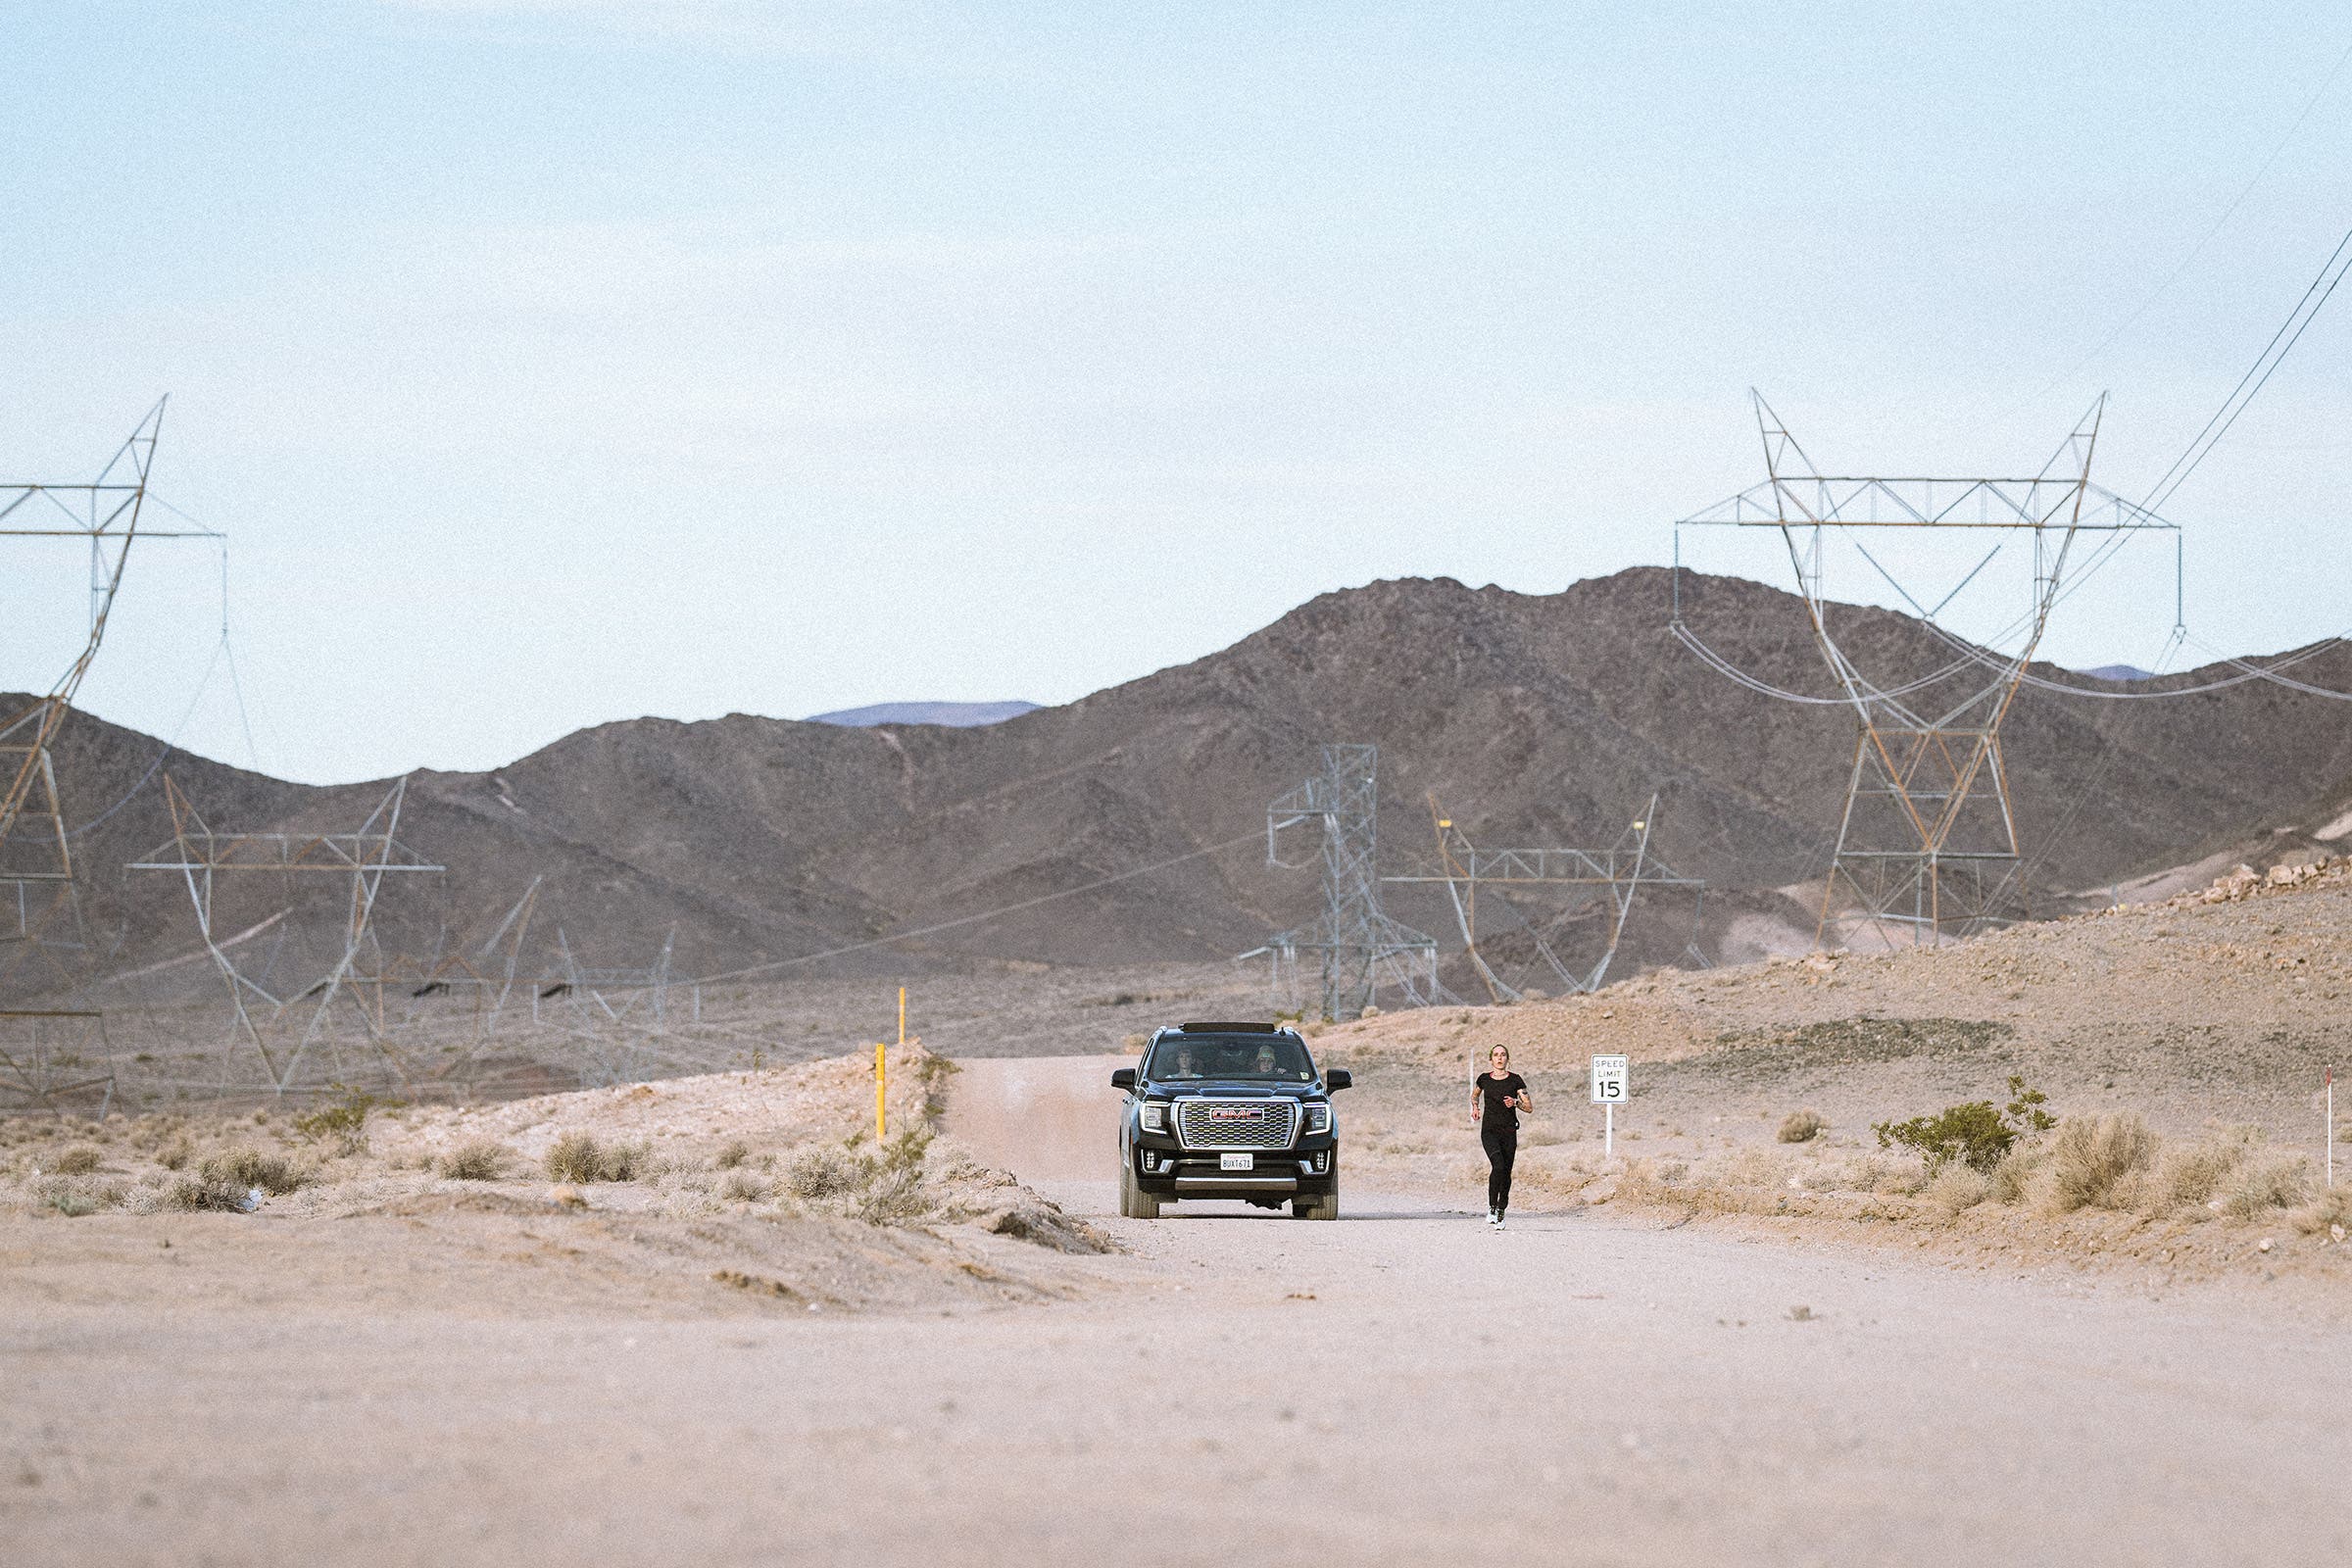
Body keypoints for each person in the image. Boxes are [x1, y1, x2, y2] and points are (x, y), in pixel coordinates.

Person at [1470, 1044, 1531, 1228]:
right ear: (1491, 1059)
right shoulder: (1484, 1079)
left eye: (1503, 1055)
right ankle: (1492, 1207)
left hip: (1509, 1132)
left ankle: (1502, 1210)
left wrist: (1515, 1103)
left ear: (1507, 1059)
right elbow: (1475, 1096)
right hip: (1489, 1131)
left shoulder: (1516, 1081)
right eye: (1496, 1055)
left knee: (1506, 1172)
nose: (1499, 1058)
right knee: (1498, 1165)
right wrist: (1475, 1107)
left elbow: (1529, 1107)